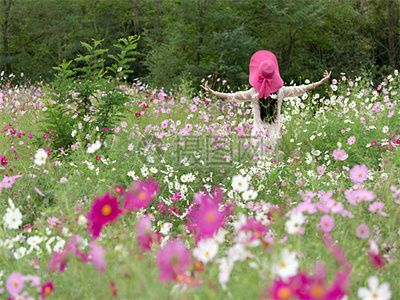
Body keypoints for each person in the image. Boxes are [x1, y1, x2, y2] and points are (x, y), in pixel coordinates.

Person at [201, 50, 331, 156]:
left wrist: (213, 92)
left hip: (257, 137)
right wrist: (320, 82)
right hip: (274, 137)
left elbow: (232, 96)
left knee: (258, 171)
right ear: (274, 75)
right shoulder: (281, 92)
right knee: (273, 169)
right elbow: (301, 89)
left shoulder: (253, 93)